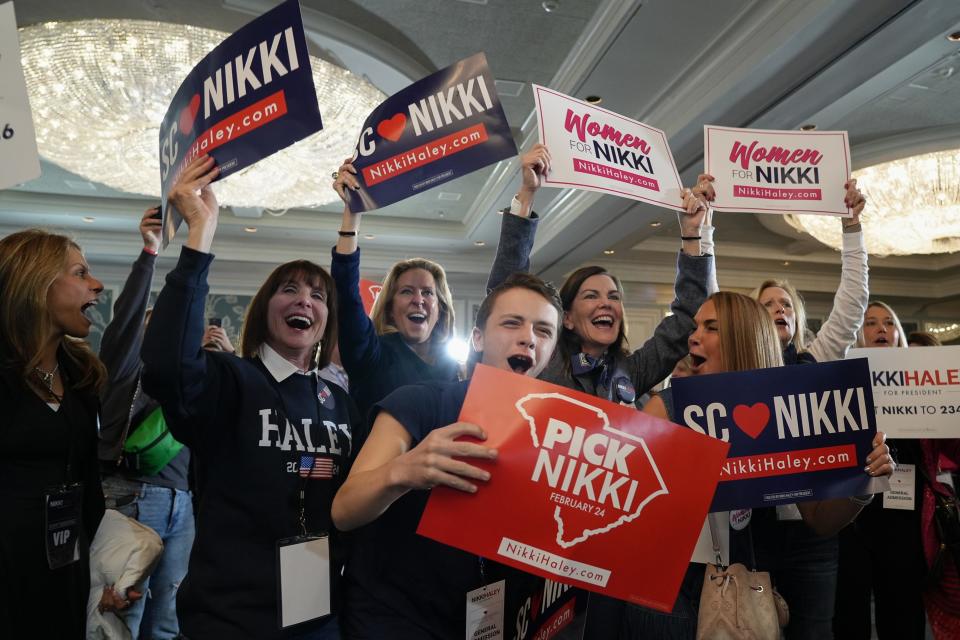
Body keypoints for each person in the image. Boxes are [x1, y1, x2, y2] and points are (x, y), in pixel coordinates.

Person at [142, 155, 359, 640]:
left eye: (318, 296)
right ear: (264, 311)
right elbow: (167, 367)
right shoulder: (230, 380)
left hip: (318, 617)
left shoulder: (340, 403)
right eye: (290, 290)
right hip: (229, 618)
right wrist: (200, 235)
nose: (305, 300)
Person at [640, 292, 894, 639]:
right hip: (671, 595)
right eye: (696, 326)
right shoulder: (665, 409)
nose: (693, 336)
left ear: (743, 338)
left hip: (746, 596)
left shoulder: (784, 413)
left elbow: (821, 520)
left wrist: (863, 481)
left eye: (710, 328)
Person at [331, 272, 562, 639]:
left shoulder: (560, 437)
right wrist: (403, 471)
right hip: (394, 617)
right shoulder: (418, 402)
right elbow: (344, 510)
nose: (528, 338)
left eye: (543, 331)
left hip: (493, 620)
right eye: (511, 323)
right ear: (477, 338)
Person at [486, 144, 713, 407]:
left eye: (614, 297)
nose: (606, 303)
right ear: (567, 318)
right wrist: (526, 195)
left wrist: (691, 233)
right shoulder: (543, 360)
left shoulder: (631, 372)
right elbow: (506, 295)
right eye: (591, 295)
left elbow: (688, 319)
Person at [0, 229, 117, 636]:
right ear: (34, 282)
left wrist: (100, 577)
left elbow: (89, 492)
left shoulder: (83, 379)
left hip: (65, 571)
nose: (97, 284)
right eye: (80, 272)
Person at [98, 207, 195, 639]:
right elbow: (124, 324)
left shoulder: (189, 381)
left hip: (184, 503)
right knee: (123, 612)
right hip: (132, 495)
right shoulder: (125, 370)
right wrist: (149, 254)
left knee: (170, 617)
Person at [329, 161, 460, 439]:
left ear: (440, 309)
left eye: (427, 293)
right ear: (389, 309)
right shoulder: (371, 354)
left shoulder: (453, 368)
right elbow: (346, 294)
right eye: (406, 291)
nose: (418, 300)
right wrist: (352, 216)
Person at [833, 301, 929, 639]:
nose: (881, 329)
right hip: (856, 508)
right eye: (871, 323)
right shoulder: (843, 382)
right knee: (850, 609)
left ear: (899, 334)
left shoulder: (923, 383)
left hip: (905, 508)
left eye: (889, 322)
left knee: (903, 608)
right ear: (859, 335)